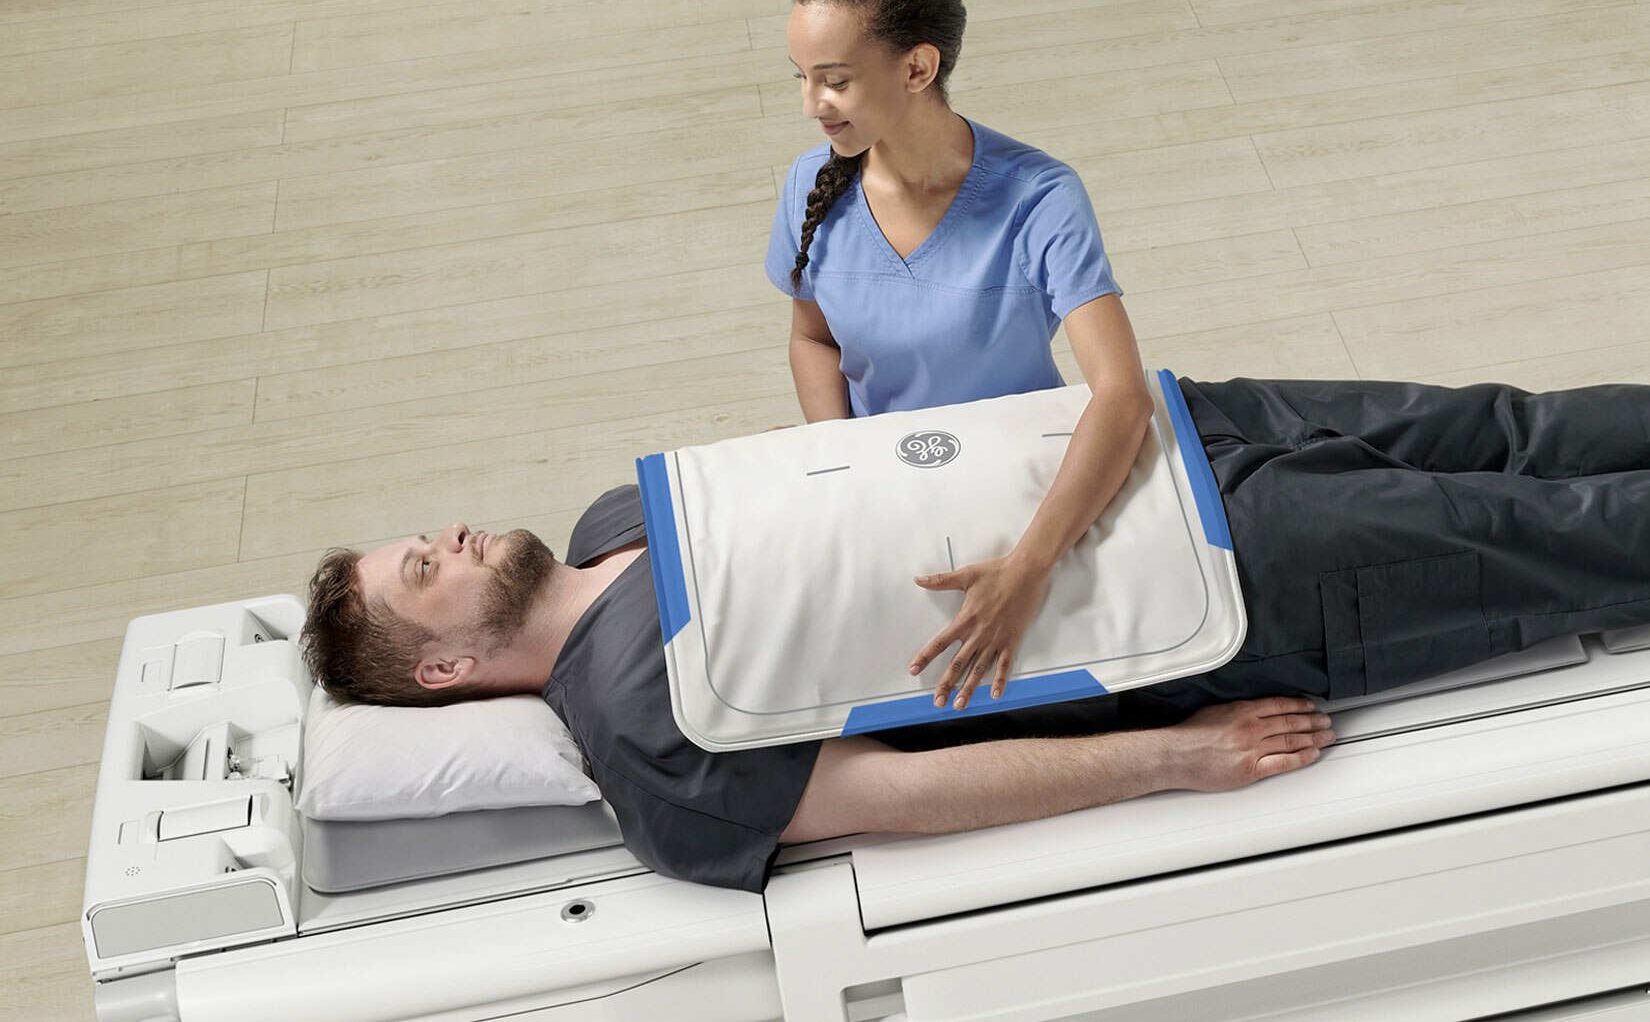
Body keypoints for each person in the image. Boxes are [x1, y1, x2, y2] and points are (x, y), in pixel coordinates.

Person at [301, 375, 1650, 892]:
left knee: (1518, 429)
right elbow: (887, 796)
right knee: (1568, 535)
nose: (451, 534)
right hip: (1219, 581)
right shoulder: (650, 742)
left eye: (427, 534)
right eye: (424, 567)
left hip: (1161, 434)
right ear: (448, 669)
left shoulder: (617, 514)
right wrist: (1174, 759)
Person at [766, 0, 1157, 710]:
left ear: (918, 67)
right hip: (885, 493)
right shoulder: (811, 184)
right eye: (801, 77)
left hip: (1028, 496)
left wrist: (1030, 568)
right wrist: (840, 456)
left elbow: (1122, 395)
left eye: (835, 80)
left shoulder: (1039, 198)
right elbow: (813, 337)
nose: (812, 105)